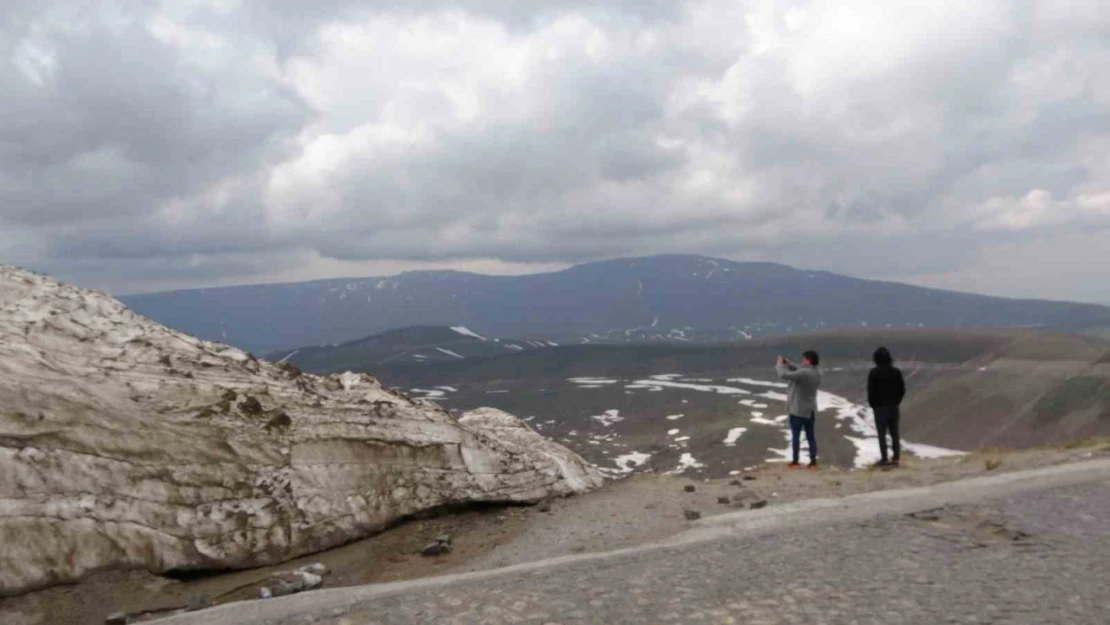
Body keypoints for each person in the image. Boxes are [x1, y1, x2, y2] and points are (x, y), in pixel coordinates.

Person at [776, 350, 822, 469]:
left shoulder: (803, 373)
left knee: (796, 436)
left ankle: (795, 461)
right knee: (811, 436)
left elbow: (784, 375)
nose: (802, 361)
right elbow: (800, 369)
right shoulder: (818, 372)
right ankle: (813, 462)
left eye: (804, 359)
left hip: (797, 410)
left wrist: (780, 364)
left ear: (808, 360)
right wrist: (789, 363)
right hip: (809, 410)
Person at [867, 346, 906, 468]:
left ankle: (884, 459)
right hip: (894, 407)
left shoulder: (874, 372)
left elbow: (871, 391)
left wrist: (873, 405)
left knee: (881, 434)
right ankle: (896, 458)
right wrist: (897, 401)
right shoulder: (896, 372)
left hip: (880, 408)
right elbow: (902, 389)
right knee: (895, 433)